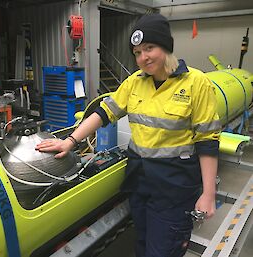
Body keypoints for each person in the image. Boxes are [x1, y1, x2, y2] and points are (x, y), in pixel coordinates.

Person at [36, 13, 221, 257]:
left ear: (166, 46)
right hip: (139, 180)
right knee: (142, 243)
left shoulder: (197, 83)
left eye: (149, 48)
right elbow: (104, 113)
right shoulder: (134, 82)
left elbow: (208, 142)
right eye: (137, 53)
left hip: (174, 186)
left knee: (164, 250)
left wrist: (208, 194)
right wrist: (70, 141)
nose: (143, 57)